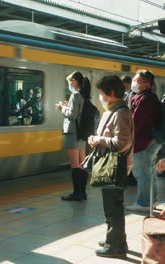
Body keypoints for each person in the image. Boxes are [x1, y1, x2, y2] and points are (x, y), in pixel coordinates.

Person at [87, 75, 133, 258]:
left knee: (113, 208)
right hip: (110, 165)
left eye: (102, 93)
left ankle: (115, 247)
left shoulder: (121, 112)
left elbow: (122, 142)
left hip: (115, 167)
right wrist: (96, 140)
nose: (100, 96)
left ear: (112, 93)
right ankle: (115, 239)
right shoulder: (114, 110)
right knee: (112, 207)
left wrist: (100, 139)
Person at [126, 70, 161, 212]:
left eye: (137, 80)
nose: (133, 82)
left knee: (142, 173)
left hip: (144, 142)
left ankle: (144, 203)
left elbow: (136, 122)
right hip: (150, 141)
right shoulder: (146, 97)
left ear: (146, 84)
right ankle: (151, 200)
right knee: (150, 172)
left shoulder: (145, 99)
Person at [56, 71, 90, 201]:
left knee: (75, 164)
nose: (68, 84)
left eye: (69, 82)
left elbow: (72, 115)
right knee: (82, 163)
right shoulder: (84, 94)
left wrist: (62, 108)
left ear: (74, 81)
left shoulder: (75, 95)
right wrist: (67, 107)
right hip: (81, 133)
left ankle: (77, 193)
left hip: (73, 132)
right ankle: (82, 192)